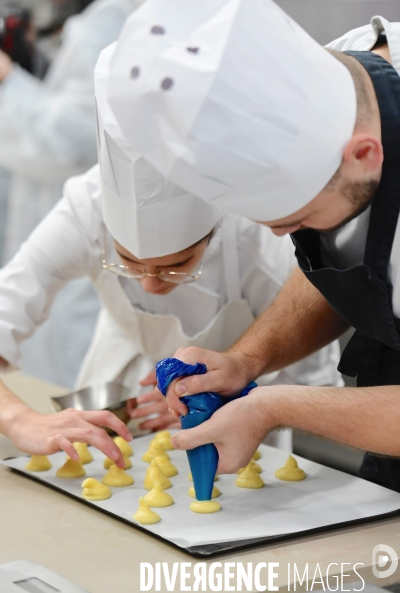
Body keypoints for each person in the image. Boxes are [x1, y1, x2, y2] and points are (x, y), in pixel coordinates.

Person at [107, 0, 400, 492]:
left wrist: (272, 405)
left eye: (298, 219)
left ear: (365, 155)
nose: (281, 236)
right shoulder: (329, 82)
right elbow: (350, 262)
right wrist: (246, 361)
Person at [0, 40, 342, 458]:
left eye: (177, 266)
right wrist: (20, 420)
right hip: (131, 402)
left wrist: (232, 400)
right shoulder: (85, 208)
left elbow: (315, 383)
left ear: (213, 230)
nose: (149, 286)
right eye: (126, 262)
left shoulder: (256, 233)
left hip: (248, 432)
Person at [0, 0, 142, 389]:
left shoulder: (112, 16)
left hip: (87, 236)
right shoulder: (79, 20)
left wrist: (9, 77)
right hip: (53, 230)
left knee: (78, 386)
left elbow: (76, 136)